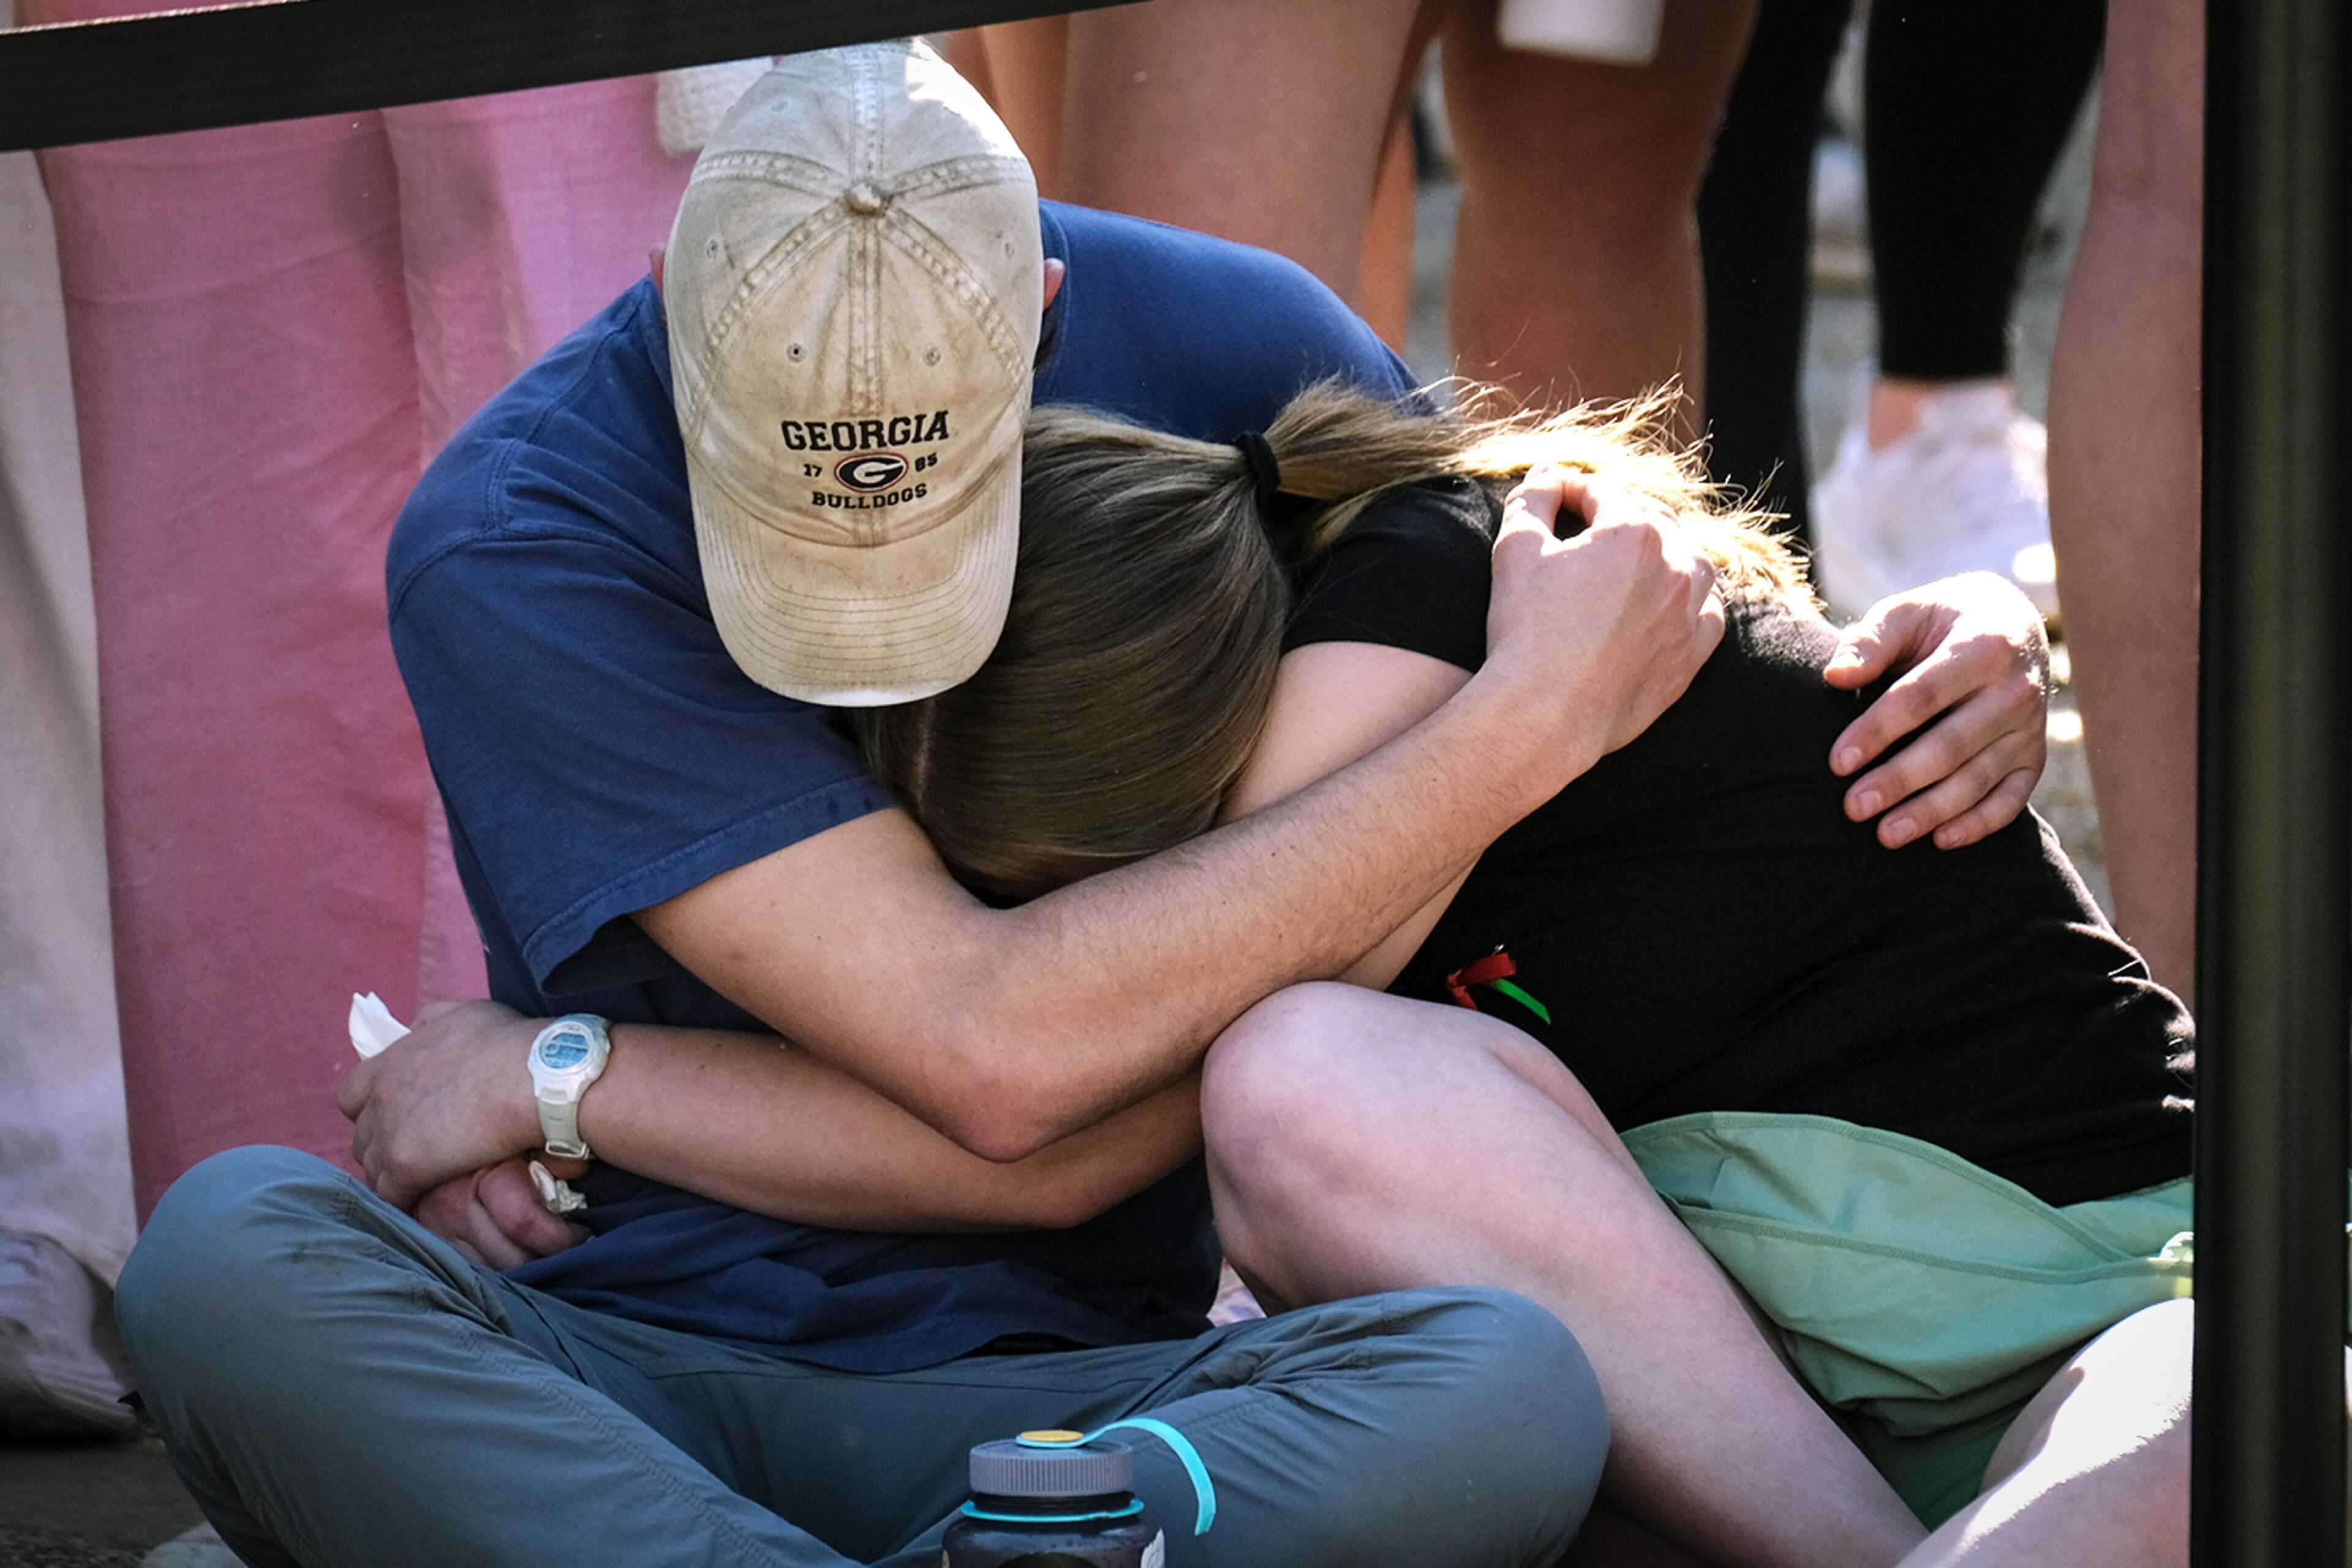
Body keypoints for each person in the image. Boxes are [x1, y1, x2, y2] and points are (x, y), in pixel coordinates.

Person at [124, 41, 2056, 1568]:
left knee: (1505, 1391)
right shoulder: (525, 532)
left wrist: (556, 1075)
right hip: (622, 1357)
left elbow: (1078, 1106)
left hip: (1108, 1401)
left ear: (1046, 312)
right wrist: (1510, 730)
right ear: (668, 311)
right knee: (228, 1261)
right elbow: (1010, 1064)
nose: (868, 656)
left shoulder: (1235, 341)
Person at [840, 378, 2267, 1567]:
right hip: (1782, 1435)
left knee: (2229, 1426)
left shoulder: (1441, 567)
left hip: (2105, 1296)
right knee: (1297, 1076)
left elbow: (1054, 1094)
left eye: (1092, 898)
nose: (1121, 949)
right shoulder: (1383, 665)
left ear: (1170, 769)